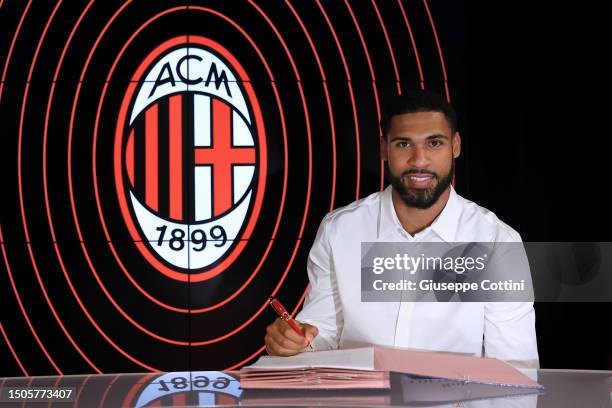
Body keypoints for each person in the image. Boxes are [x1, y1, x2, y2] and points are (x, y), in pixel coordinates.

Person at [264, 90, 539, 368]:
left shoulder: (497, 242)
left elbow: (516, 371)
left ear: (455, 145)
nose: (419, 160)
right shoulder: (339, 230)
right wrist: (296, 341)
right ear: (384, 148)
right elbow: (321, 333)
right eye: (404, 144)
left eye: (434, 143)